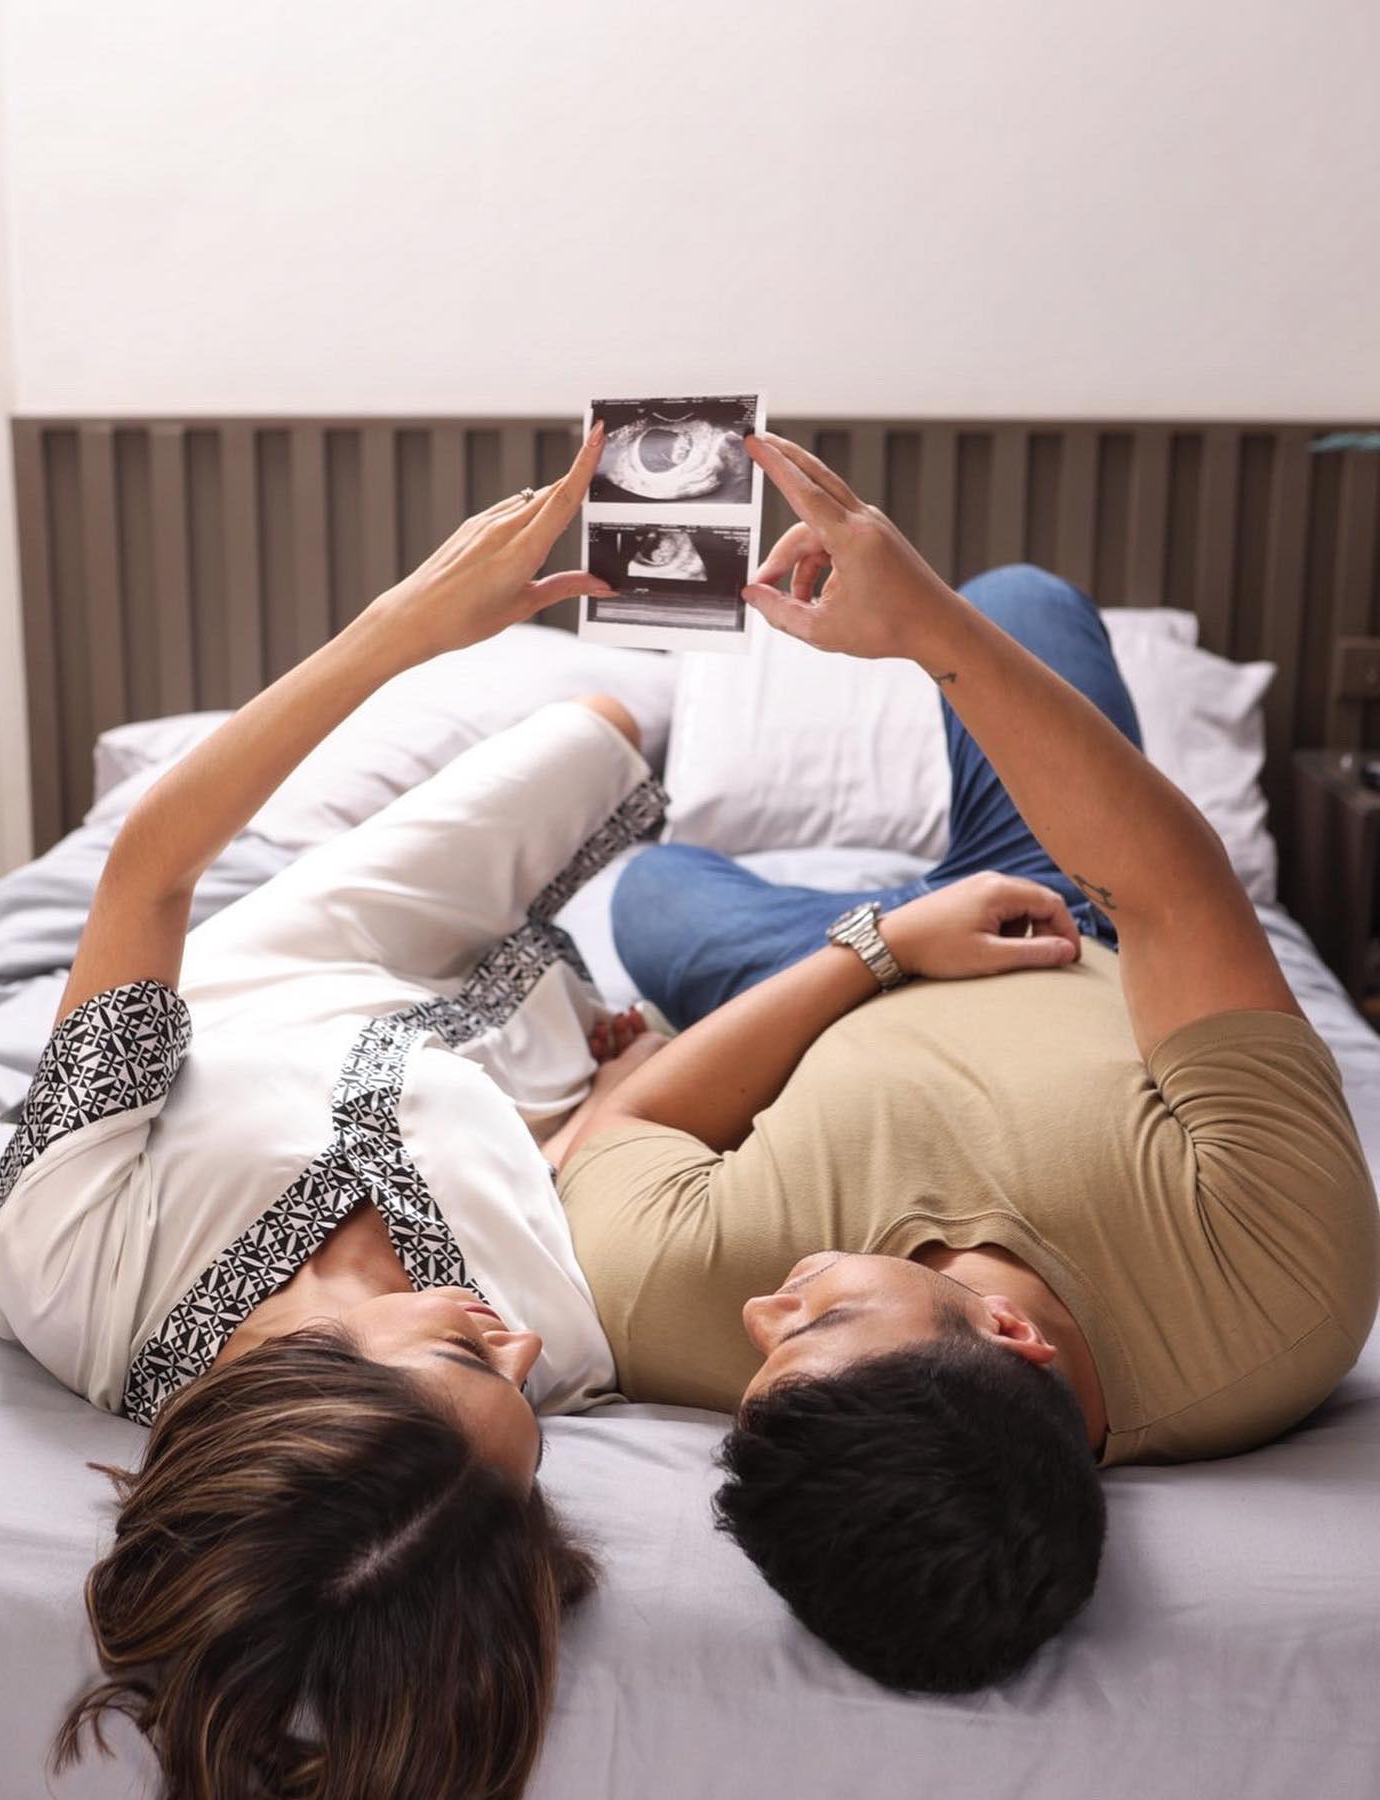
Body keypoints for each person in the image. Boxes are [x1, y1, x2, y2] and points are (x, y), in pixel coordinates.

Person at [556, 432, 1380, 1696]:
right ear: (1011, 1333)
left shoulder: (738, 1342)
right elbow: (1170, 890)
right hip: (1074, 910)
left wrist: (880, 945)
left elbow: (635, 1121)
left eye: (770, 1348)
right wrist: (931, 630)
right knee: (1019, 604)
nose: (761, 1311)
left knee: (654, 896)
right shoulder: (1276, 1295)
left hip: (844, 964)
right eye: (816, 1320)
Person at [0, 424, 665, 1800]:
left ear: (313, 1389)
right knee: (634, 799)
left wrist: (405, 628)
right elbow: (572, 1170)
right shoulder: (550, 1352)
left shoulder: (74, 1275)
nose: (519, 1351)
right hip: (507, 1060)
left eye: (471, 1369)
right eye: (531, 1419)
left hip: (283, 968)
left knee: (600, 729)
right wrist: (622, 1081)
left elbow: (150, 871)